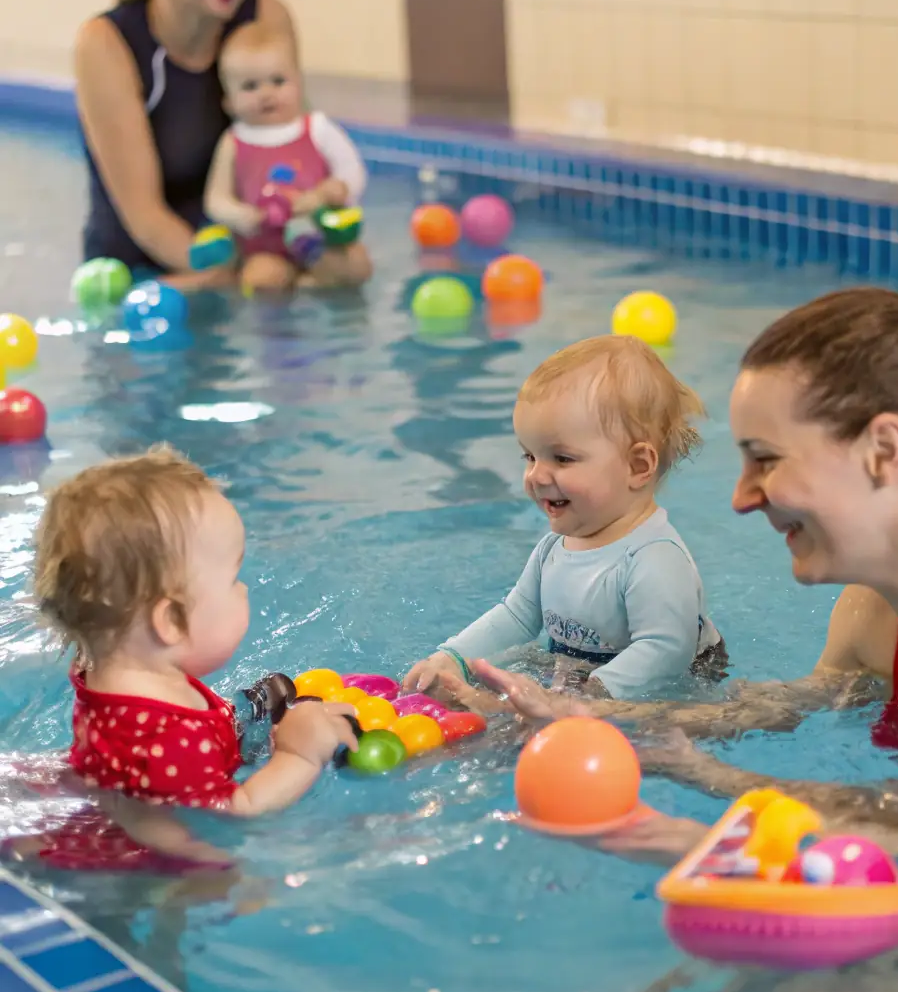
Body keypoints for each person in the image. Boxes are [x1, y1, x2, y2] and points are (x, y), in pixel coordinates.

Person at [461, 288, 898, 868]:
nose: (741, 497)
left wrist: (715, 844)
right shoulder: (873, 611)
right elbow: (779, 715)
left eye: (767, 460)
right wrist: (598, 723)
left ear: (884, 451)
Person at [13, 446, 357, 871]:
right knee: (224, 879)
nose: (245, 591)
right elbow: (238, 807)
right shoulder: (170, 735)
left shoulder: (112, 663)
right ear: (170, 622)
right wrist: (297, 754)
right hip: (147, 860)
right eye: (233, 580)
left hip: (107, 798)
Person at [76, 0, 359, 291]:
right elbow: (147, 220)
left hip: (247, 252)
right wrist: (237, 278)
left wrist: (310, 246)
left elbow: (297, 151)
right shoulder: (107, 45)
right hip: (145, 274)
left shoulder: (265, 20)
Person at [404, 335, 723, 701]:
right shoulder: (552, 549)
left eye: (562, 459)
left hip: (667, 690)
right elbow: (518, 615)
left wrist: (588, 695)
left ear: (638, 466)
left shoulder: (654, 558)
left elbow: (667, 649)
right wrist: (453, 659)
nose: (537, 476)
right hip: (579, 674)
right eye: (530, 457)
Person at [203, 21, 371, 291]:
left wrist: (326, 194)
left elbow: (353, 172)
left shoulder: (318, 128)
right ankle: (300, 284)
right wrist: (240, 216)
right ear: (228, 102)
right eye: (250, 86)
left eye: (278, 81)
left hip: (320, 238)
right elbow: (216, 199)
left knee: (357, 267)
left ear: (299, 83)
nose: (266, 94)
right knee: (260, 280)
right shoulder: (233, 141)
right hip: (265, 247)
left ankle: (306, 282)